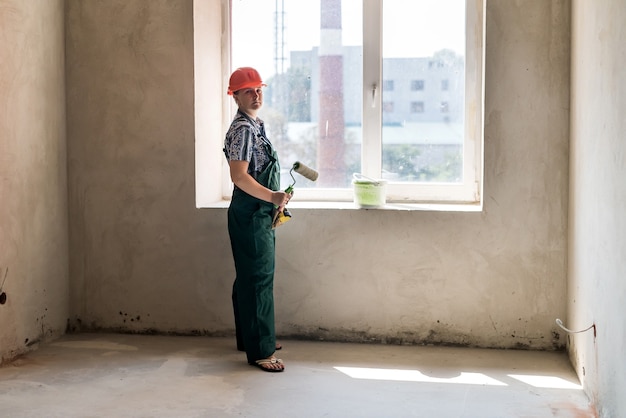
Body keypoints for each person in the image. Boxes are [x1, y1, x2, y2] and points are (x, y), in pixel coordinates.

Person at [223, 67, 291, 372]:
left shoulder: (256, 124)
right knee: (258, 278)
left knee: (250, 277)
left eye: (259, 89)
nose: (256, 94)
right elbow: (239, 177)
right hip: (250, 213)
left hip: (258, 211)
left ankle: (252, 337)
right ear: (235, 95)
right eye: (249, 90)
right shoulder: (244, 130)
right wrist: (274, 197)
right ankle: (261, 350)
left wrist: (275, 198)